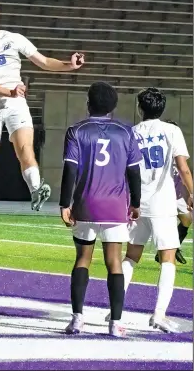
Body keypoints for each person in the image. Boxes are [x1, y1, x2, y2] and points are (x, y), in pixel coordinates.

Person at [0, 1, 85, 239]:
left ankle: (36, 189)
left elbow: (44, 61)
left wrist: (70, 65)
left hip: (16, 106)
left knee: (26, 150)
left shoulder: (13, 38)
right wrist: (10, 91)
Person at [60, 82, 142, 337]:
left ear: (88, 104)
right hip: (116, 205)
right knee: (114, 261)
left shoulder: (76, 130)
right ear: (113, 106)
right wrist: (135, 203)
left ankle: (77, 319)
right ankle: (115, 323)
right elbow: (134, 172)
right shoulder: (126, 132)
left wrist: (65, 203)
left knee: (82, 259)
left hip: (86, 203)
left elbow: (70, 170)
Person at [121, 88, 193, 333]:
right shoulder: (172, 130)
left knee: (131, 256)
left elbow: (123, 170)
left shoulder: (130, 133)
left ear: (140, 108)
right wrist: (192, 192)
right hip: (163, 204)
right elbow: (182, 168)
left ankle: (116, 309)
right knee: (168, 259)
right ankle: (159, 315)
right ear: (162, 109)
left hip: (137, 203)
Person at [154, 120, 192, 265]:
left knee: (187, 219)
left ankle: (175, 248)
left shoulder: (178, 150)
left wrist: (189, 192)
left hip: (177, 195)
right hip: (161, 195)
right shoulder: (160, 150)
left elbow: (184, 172)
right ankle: (165, 252)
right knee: (163, 227)